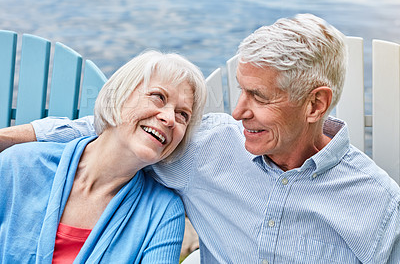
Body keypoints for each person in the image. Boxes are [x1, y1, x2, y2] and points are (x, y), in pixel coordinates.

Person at [1, 14, 399, 263]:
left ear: (315, 105)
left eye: (259, 97)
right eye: (241, 89)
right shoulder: (208, 146)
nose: (239, 111)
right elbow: (116, 129)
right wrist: (10, 138)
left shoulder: (378, 207)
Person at [0, 50, 207, 263]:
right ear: (118, 97)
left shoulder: (163, 212)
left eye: (183, 115)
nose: (170, 118)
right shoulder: (18, 166)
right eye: (158, 97)